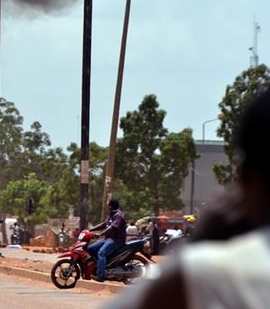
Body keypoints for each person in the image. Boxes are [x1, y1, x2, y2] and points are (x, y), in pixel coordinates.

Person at [106, 87, 270, 309]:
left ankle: (100, 273)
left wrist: (197, 246)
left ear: (246, 177)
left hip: (120, 244)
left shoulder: (217, 273)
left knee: (103, 252)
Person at [87, 198, 127, 282]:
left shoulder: (118, 215)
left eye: (108, 206)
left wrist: (100, 234)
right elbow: (103, 225)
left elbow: (111, 228)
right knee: (91, 248)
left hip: (116, 240)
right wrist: (90, 230)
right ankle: (101, 266)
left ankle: (101, 276)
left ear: (110, 206)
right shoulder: (111, 215)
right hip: (107, 239)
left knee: (101, 253)